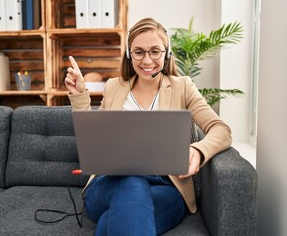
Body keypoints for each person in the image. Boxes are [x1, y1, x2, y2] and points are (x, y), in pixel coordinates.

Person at [65, 17, 232, 236]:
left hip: (165, 186)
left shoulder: (183, 87)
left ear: (167, 53)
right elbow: (94, 140)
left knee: (111, 222)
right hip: (110, 182)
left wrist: (198, 150)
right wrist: (79, 96)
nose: (147, 60)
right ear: (129, 54)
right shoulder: (114, 87)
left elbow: (221, 129)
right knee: (132, 184)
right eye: (139, 52)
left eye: (155, 51)